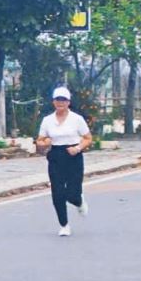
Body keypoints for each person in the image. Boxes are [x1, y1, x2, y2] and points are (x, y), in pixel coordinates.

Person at [35, 86, 91, 237]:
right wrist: (45, 142)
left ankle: (79, 201)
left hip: (73, 156)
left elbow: (88, 138)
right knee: (57, 193)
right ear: (53, 102)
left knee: (73, 193)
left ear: (68, 102)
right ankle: (64, 225)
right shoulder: (47, 120)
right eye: (57, 100)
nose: (60, 103)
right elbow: (39, 141)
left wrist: (78, 148)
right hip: (56, 156)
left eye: (63, 100)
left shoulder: (76, 119)